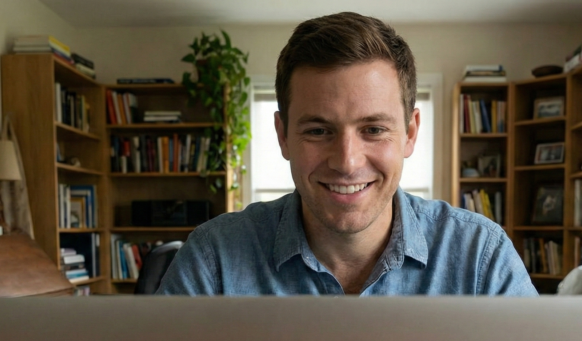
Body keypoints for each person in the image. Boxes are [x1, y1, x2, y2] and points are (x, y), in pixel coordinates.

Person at [160, 12, 536, 296]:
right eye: (318, 131)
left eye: (373, 130)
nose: (347, 161)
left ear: (409, 133)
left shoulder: (481, 259)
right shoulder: (214, 262)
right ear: (283, 136)